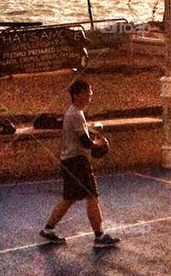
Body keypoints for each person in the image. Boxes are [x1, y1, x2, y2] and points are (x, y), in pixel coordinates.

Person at [39, 79, 120, 248]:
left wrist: (92, 136)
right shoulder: (75, 114)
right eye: (87, 92)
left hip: (69, 161)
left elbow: (81, 135)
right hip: (77, 162)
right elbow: (85, 143)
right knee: (92, 196)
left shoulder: (75, 113)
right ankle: (99, 236)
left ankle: (48, 230)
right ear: (77, 95)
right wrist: (99, 143)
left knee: (69, 198)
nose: (90, 96)